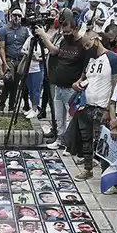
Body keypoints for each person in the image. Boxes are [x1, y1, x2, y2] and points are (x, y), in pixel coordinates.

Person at [69, 30, 117, 180]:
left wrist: (109, 109)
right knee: (86, 141)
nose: (87, 48)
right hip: (86, 106)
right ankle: (88, 169)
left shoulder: (113, 59)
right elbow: (83, 78)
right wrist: (76, 84)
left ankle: (107, 175)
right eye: (85, 47)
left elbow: (116, 86)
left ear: (96, 40)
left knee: (103, 143)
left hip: (102, 107)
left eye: (88, 45)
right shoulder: (90, 60)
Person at [36, 10, 90, 149]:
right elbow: (54, 51)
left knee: (71, 118)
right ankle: (60, 139)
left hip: (71, 88)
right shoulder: (64, 41)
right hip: (59, 86)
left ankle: (71, 144)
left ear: (75, 29)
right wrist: (43, 36)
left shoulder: (82, 44)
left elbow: (87, 65)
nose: (66, 34)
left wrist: (80, 81)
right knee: (59, 117)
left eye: (68, 32)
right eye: (64, 32)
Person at [0, 8, 30, 113]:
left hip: (20, 59)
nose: (17, 17)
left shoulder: (25, 30)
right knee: (8, 80)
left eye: (19, 16)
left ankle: (12, 105)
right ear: (11, 16)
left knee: (16, 83)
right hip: (9, 58)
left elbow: (28, 45)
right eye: (15, 15)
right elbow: (2, 48)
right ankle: (2, 104)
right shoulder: (4, 30)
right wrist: (4, 62)